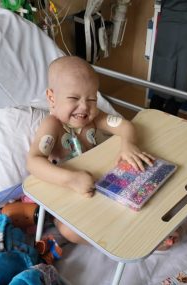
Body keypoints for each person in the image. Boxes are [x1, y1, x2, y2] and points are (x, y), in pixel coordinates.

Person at [26, 56, 157, 245]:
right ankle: (120, 242)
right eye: (73, 98)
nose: (84, 107)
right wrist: (71, 179)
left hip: (101, 184)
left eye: (92, 99)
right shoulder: (52, 125)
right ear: (51, 98)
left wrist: (128, 143)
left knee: (140, 186)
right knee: (68, 231)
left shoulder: (95, 118)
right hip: (70, 193)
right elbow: (34, 161)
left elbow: (125, 126)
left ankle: (145, 233)